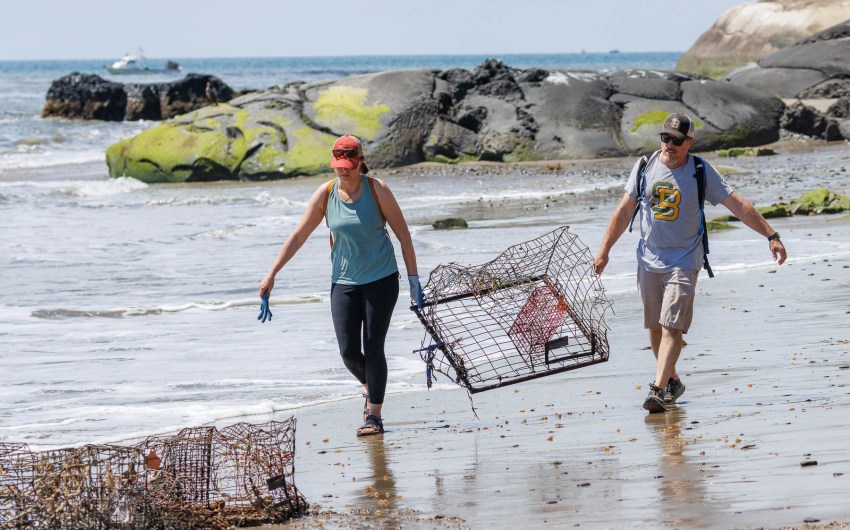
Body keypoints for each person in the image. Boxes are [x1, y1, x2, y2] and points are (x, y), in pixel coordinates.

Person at [593, 113, 788, 413]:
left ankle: (657, 389)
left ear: (689, 142)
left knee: (672, 325)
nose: (669, 145)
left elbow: (737, 205)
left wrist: (770, 234)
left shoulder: (700, 171)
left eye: (676, 140)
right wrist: (605, 250)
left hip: (685, 258)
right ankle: (672, 380)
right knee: (655, 327)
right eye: (665, 138)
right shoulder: (645, 166)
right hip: (648, 258)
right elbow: (624, 211)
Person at [258, 135, 423, 435]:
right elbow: (298, 236)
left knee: (373, 348)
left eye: (348, 164)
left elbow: (404, 236)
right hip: (344, 282)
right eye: (338, 165)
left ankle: (374, 415)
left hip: (381, 280)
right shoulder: (325, 194)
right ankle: (371, 389)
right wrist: (272, 273)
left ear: (359, 161)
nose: (343, 170)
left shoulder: (378, 190)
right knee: (348, 351)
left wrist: (414, 280)